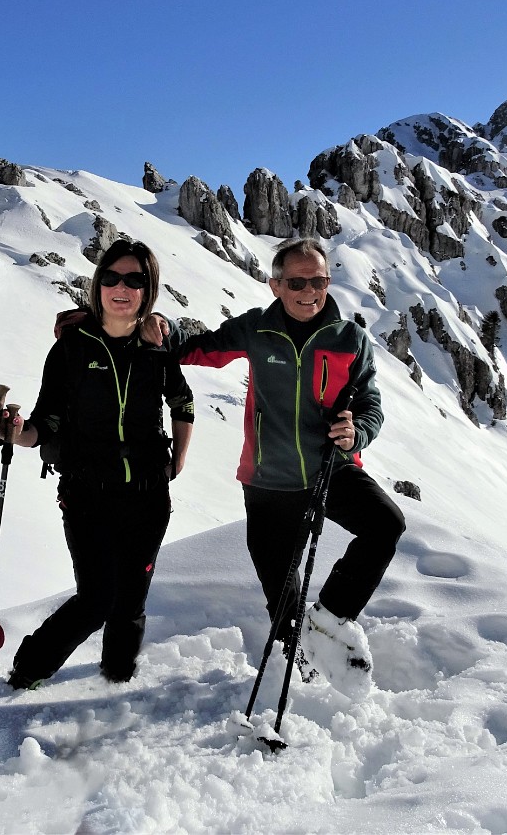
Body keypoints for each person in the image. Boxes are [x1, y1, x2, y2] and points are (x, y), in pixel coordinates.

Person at [160, 237, 405, 698]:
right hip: (267, 481)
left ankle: (329, 619)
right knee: (282, 600)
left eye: (319, 280)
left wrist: (358, 431)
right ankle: (298, 682)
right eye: (297, 282)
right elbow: (199, 350)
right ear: (276, 285)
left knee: (385, 526)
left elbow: (370, 403)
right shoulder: (256, 329)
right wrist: (162, 327)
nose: (310, 290)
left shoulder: (350, 339)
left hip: (331, 467)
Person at [0, 239, 194, 689]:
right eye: (112, 278)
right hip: (87, 495)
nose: (122, 288)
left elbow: (183, 400)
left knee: (132, 599)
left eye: (135, 280)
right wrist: (16, 432)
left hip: (147, 496)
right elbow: (45, 423)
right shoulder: (71, 349)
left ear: (149, 289)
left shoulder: (156, 347)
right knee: (97, 598)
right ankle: (27, 672)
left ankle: (117, 679)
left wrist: (176, 460)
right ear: (98, 284)